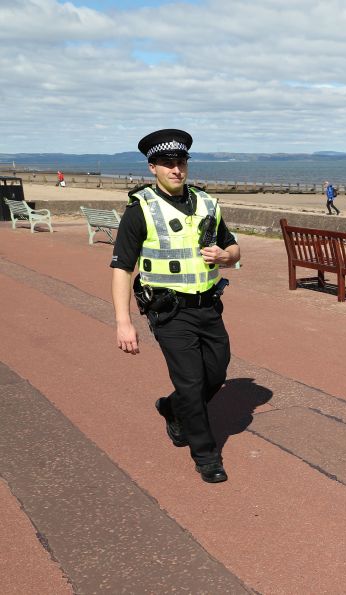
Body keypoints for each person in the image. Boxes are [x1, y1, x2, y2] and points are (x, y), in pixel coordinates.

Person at [111, 129, 240, 484]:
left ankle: (172, 407)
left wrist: (225, 256)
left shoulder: (207, 203)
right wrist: (123, 322)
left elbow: (234, 250)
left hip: (209, 306)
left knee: (216, 373)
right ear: (152, 167)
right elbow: (123, 268)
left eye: (180, 162)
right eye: (167, 163)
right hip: (168, 311)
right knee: (191, 381)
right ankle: (206, 455)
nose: (176, 169)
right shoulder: (141, 210)